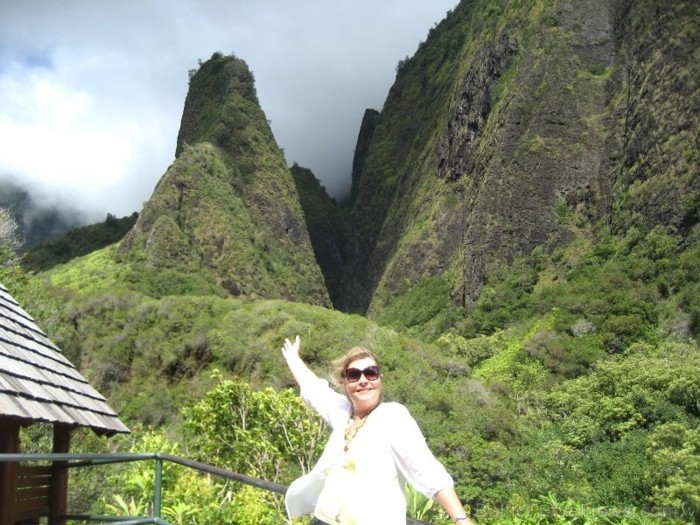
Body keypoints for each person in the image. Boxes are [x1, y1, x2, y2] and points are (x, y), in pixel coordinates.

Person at [281, 335, 475, 525]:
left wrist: (460, 518)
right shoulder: (343, 413)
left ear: (380, 378)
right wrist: (293, 359)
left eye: (370, 372)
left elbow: (426, 470)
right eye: (354, 375)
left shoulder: (392, 417)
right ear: (345, 383)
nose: (363, 380)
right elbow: (314, 390)